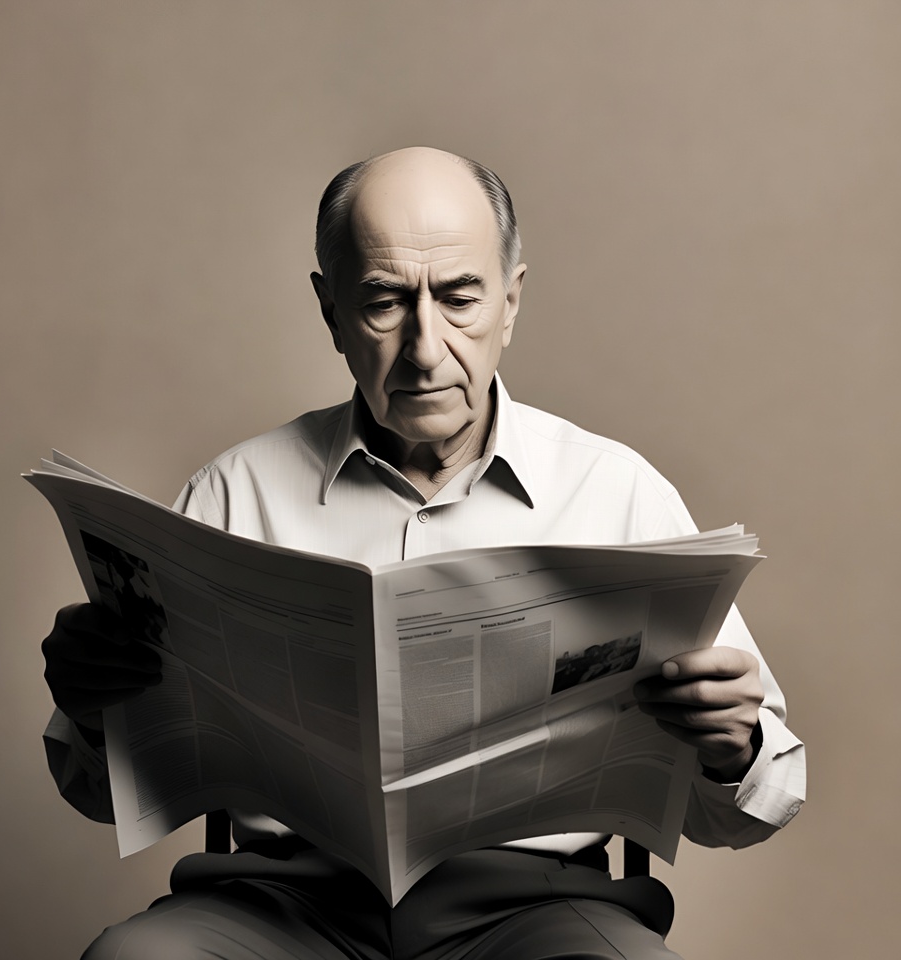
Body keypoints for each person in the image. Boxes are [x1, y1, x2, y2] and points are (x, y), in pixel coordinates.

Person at [42, 146, 805, 960]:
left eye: (460, 297)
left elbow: (761, 804)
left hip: (532, 911)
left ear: (511, 301)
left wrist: (736, 745)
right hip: (278, 906)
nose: (426, 348)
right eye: (382, 301)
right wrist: (92, 705)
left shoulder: (617, 494)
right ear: (330, 310)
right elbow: (94, 791)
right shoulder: (232, 496)